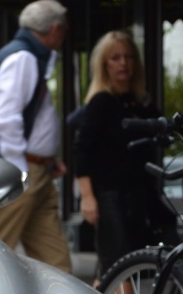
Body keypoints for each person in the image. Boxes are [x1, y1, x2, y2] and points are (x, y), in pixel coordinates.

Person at [0, 0, 73, 274]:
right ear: (56, 29)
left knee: (56, 263)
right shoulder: (23, 57)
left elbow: (28, 117)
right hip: (23, 171)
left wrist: (47, 158)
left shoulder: (28, 55)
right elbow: (6, 119)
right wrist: (20, 170)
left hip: (36, 169)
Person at [73, 31, 176, 277]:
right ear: (104, 64)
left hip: (141, 194)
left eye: (128, 57)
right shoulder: (101, 102)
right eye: (115, 57)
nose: (123, 63)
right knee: (120, 265)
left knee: (123, 266)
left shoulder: (140, 104)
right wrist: (87, 197)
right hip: (111, 196)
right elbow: (81, 149)